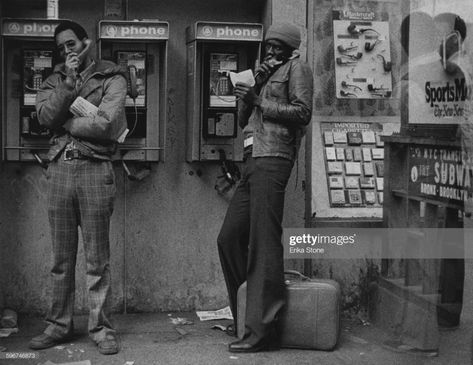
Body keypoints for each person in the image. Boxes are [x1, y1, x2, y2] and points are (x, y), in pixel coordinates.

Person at [29, 20, 127, 355]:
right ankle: (59, 325)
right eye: (60, 48)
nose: (66, 51)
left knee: (97, 258)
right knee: (61, 257)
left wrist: (67, 122)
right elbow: (43, 117)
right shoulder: (54, 80)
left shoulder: (112, 77)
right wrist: (69, 82)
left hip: (95, 169)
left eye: (71, 44)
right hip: (59, 169)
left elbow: (108, 125)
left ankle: (100, 328)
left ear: (86, 43)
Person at [217, 22, 314, 353]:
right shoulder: (264, 74)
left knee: (263, 242)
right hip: (252, 159)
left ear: (290, 49)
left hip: (275, 157)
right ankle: (247, 315)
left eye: (278, 47)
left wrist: (259, 99)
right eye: (268, 45)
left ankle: (263, 329)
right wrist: (253, 87)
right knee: (229, 237)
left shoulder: (298, 69)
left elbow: (302, 113)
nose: (272, 51)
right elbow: (244, 120)